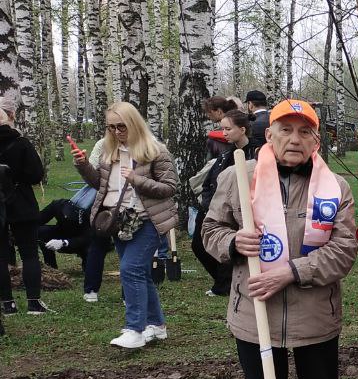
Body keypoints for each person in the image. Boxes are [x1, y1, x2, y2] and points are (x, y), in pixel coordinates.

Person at [202, 98, 357, 379]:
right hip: (255, 313)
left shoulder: (335, 187)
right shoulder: (239, 177)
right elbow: (210, 230)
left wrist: (292, 272)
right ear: (268, 134)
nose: (294, 139)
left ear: (316, 140)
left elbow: (343, 251)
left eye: (304, 132)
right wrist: (234, 241)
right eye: (285, 130)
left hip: (315, 313)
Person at [72, 102, 178, 347]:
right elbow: (101, 185)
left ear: (134, 124)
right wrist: (84, 165)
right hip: (117, 221)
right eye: (111, 127)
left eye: (121, 126)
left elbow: (170, 187)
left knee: (130, 269)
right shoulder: (110, 152)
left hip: (148, 220)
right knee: (140, 273)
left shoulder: (155, 151)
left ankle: (135, 329)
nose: (116, 132)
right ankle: (156, 325)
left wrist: (137, 179)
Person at [193, 110, 254, 296]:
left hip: (240, 210)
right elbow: (209, 182)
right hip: (214, 207)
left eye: (228, 129)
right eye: (222, 129)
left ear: (242, 129)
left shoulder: (255, 153)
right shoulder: (225, 155)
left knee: (235, 245)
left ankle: (225, 284)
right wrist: (208, 203)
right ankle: (224, 281)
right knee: (199, 245)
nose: (224, 133)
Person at [0, 106, 49, 315]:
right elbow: (36, 174)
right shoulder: (21, 143)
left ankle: (7, 304)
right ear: (8, 119)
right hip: (21, 201)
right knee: (29, 254)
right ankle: (34, 302)